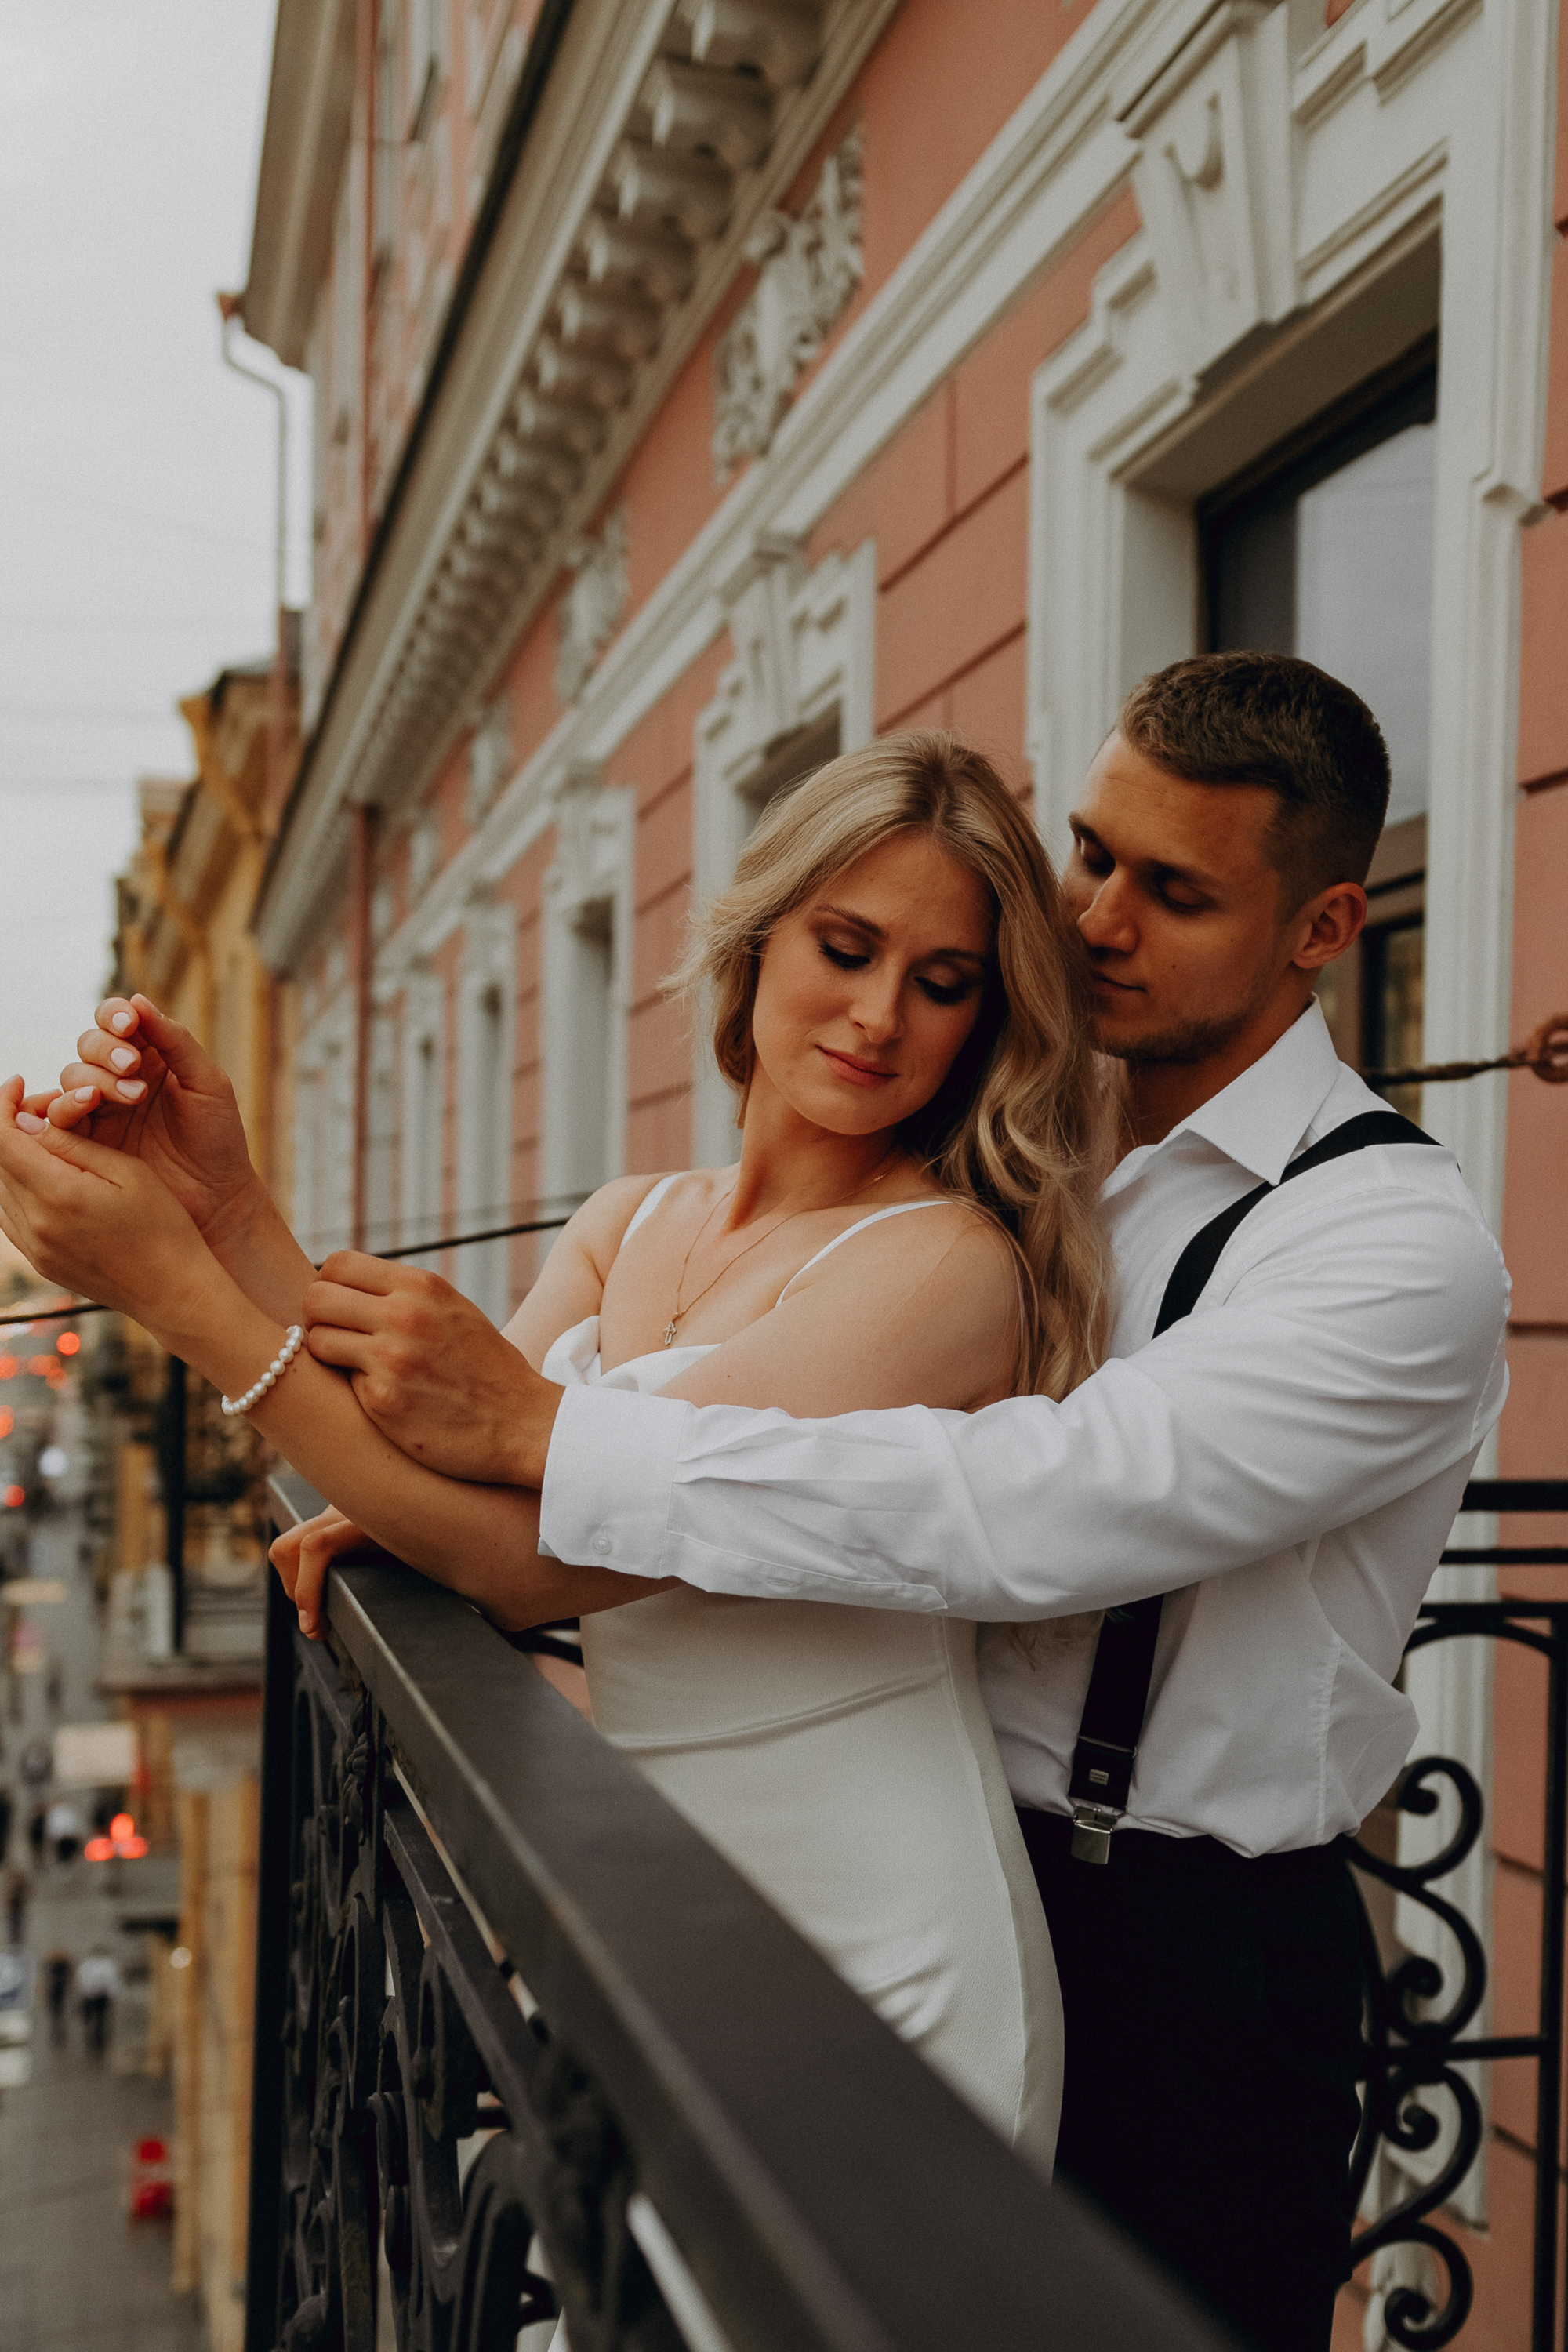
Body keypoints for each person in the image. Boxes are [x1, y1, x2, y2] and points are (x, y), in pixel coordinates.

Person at [205, 652, 1502, 2352]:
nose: (1098, 917)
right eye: (1090, 854)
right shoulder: (1028, 1131)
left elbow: (1044, 1505)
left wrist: (553, 1437)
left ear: (1325, 929)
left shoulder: (1390, 1248)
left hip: (1189, 1946)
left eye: (1171, 891)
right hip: (918, 1847)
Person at [0, 733, 1118, 2175]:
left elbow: (531, 1567)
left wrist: (182, 1300)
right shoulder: (634, 1217)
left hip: (879, 1941)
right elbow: (442, 1455)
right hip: (661, 1913)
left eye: (943, 982)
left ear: (984, 1019)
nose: (881, 1014)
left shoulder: (946, 1267)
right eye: (845, 947)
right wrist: (224, 1204)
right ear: (762, 935)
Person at [76, 1944, 121, 2056]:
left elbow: (112, 1981)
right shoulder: (93, 1964)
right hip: (94, 1995)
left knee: (98, 2019)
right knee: (95, 2019)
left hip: (97, 1995)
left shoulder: (104, 1964)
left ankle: (97, 2040)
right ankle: (95, 2040)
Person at [45, 1947, 72, 2045]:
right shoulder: (53, 1967)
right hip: (56, 1993)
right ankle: (56, 2028)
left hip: (60, 1993)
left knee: (58, 2012)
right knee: (56, 2013)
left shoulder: (63, 1968)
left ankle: (58, 2028)